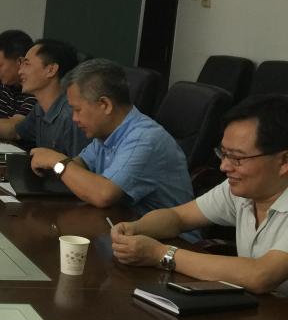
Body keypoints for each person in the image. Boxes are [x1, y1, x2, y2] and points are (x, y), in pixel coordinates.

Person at [111, 94, 288, 295]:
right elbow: (177, 217)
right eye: (223, 154)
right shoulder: (243, 190)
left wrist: (161, 254)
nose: (224, 166)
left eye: (237, 158)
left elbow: (261, 275)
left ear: (284, 161)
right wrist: (135, 228)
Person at [29, 58, 193, 215]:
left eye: (78, 110)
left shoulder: (145, 139)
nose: (74, 118)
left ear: (105, 105)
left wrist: (57, 162)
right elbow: (80, 165)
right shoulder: (106, 133)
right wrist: (49, 168)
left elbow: (104, 195)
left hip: (164, 234)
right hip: (124, 224)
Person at [0, 38, 88, 158]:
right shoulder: (40, 108)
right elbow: (17, 132)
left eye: (27, 64)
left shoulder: (72, 116)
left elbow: (81, 170)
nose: (20, 71)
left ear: (51, 70)